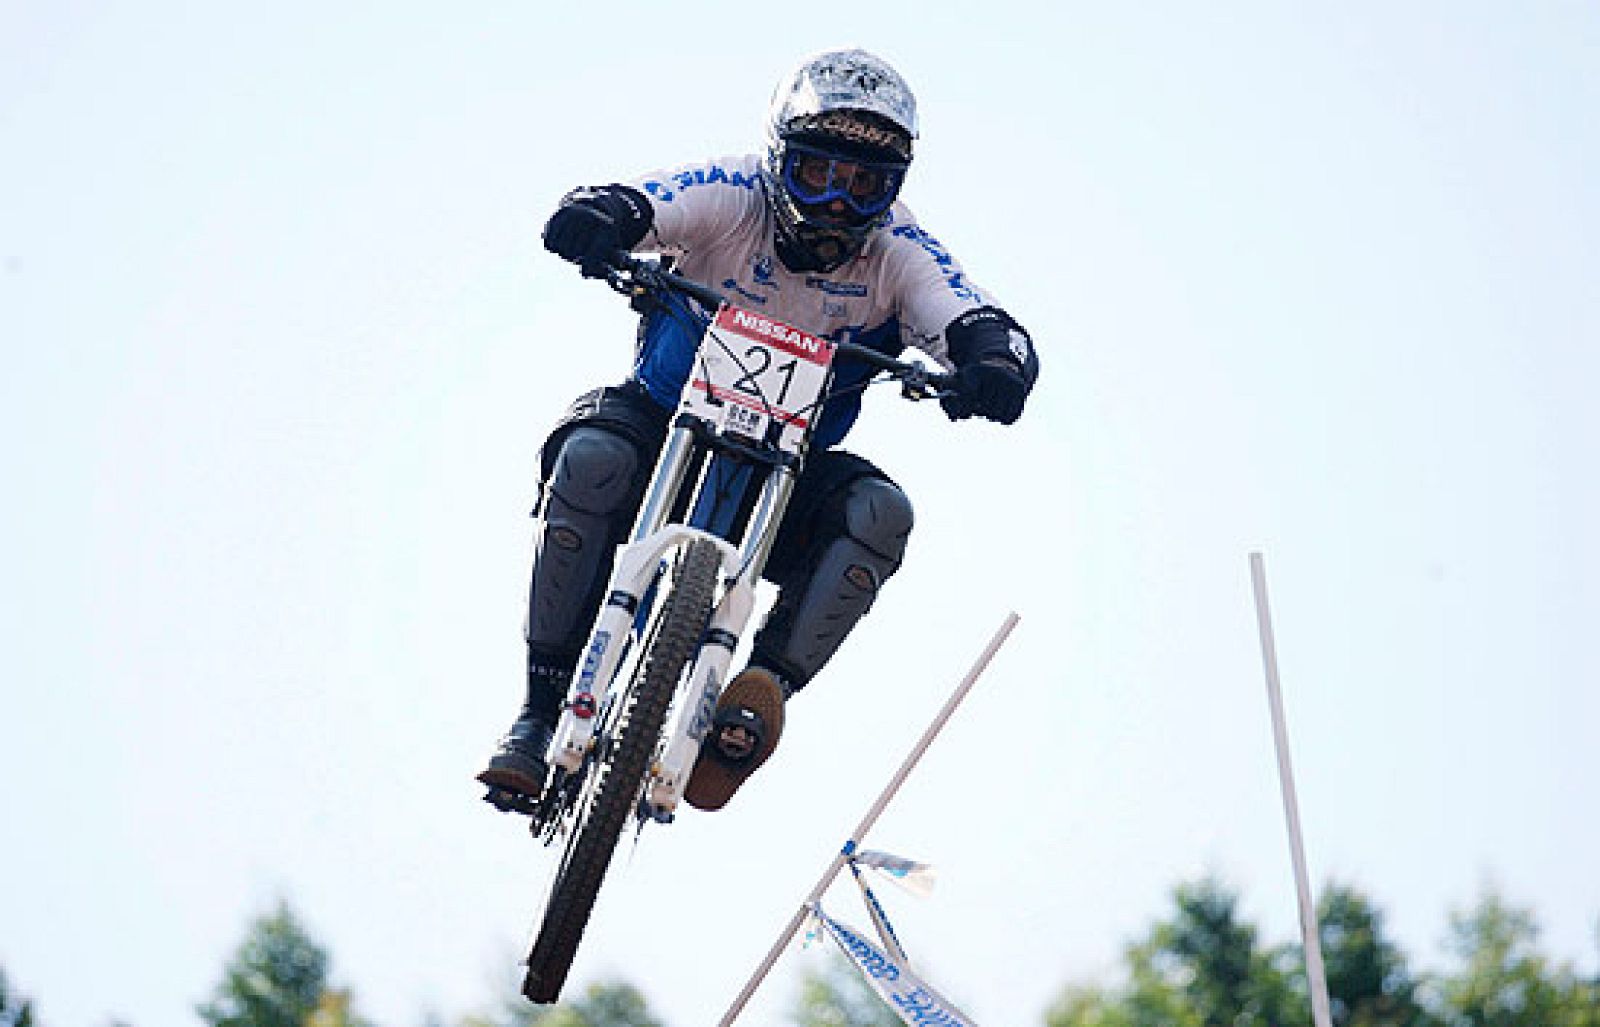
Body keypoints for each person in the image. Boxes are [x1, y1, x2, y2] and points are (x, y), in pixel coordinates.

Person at [478, 48, 1040, 812]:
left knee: (880, 513)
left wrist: (992, 361)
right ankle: (539, 709)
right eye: (819, 174)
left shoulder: (899, 249)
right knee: (591, 457)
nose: (837, 204)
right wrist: (600, 215)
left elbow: (972, 313)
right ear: (779, 160)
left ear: (894, 189)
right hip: (660, 421)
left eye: (864, 185)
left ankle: (756, 696)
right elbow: (645, 201)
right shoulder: (733, 191)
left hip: (793, 462)